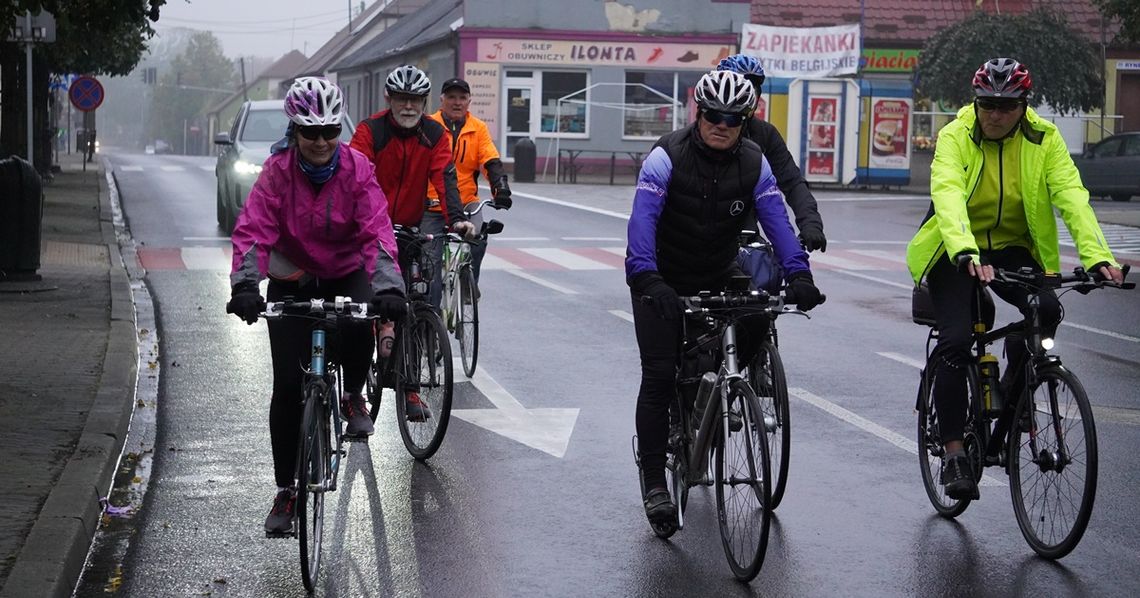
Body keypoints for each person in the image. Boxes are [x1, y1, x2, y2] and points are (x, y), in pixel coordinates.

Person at [905, 58, 1125, 500]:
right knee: (955, 341)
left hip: (1013, 247)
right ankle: (952, 453)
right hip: (955, 248)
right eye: (987, 104)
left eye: (1007, 106)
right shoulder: (955, 135)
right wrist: (964, 250)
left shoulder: (1045, 139)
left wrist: (1097, 256)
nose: (996, 114)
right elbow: (946, 193)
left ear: (1024, 105)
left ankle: (1013, 389)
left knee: (1045, 309)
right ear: (976, 102)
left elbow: (1070, 195)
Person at [626, 70, 823, 525]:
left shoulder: (755, 162)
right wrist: (647, 277)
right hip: (661, 276)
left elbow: (777, 220)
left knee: (759, 314)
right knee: (658, 375)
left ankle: (709, 385)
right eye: (713, 115)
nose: (721, 124)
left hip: (719, 270)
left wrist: (800, 274)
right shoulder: (665, 156)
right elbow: (641, 224)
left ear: (745, 120)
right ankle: (656, 479)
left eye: (733, 118)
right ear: (698, 113)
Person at [224, 77, 407, 534]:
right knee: (287, 385)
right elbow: (252, 230)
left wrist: (390, 288)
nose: (322, 141)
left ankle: (351, 396)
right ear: (295, 131)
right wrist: (246, 285)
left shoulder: (358, 169)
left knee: (362, 317)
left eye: (330, 131)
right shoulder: (277, 172)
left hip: (347, 267)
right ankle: (286, 491)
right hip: (293, 275)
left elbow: (378, 232)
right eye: (311, 132)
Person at [350, 65, 474, 421]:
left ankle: (411, 390)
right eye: (401, 99)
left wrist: (457, 219)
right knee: (363, 309)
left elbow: (445, 176)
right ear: (389, 99)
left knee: (416, 303)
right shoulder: (369, 131)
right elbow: (355, 177)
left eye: (415, 100)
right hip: (369, 231)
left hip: (409, 228)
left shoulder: (434, 134)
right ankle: (355, 392)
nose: (408, 106)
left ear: (424, 103)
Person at [717, 54, 827, 252]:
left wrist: (811, 223)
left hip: (744, 230)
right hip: (697, 232)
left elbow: (793, 182)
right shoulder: (698, 135)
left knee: (767, 273)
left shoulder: (765, 134)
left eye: (753, 89)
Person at [422, 77, 514, 308]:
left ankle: (468, 281)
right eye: (451, 97)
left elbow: (490, 160)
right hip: (432, 203)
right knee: (429, 262)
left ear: (469, 101)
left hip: (466, 202)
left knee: (479, 237)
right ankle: (429, 318)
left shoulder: (478, 128)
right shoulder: (427, 125)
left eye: (462, 98)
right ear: (441, 100)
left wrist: (500, 187)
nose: (457, 102)